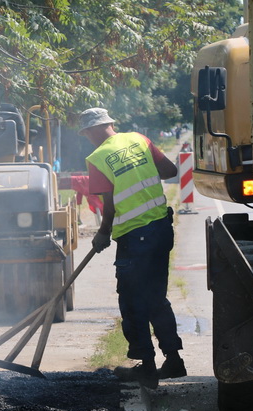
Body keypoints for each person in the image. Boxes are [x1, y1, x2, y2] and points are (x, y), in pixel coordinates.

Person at [79, 107, 187, 389]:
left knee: (132, 301)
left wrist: (103, 234)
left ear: (91, 131)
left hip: (134, 236)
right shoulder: (139, 139)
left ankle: (147, 368)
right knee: (156, 298)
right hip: (161, 229)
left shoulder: (97, 157)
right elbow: (170, 171)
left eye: (86, 133)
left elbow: (110, 204)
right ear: (111, 124)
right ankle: (173, 359)